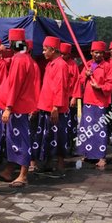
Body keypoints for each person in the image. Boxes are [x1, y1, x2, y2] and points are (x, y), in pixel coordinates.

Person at [0, 28, 40, 187]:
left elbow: (15, 85)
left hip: (17, 107)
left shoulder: (19, 60)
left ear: (14, 43)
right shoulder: (25, 58)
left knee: (21, 140)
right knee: (14, 139)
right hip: (18, 106)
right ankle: (9, 171)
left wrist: (9, 107)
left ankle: (23, 175)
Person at [75, 40, 112, 170]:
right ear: (91, 52)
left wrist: (100, 87)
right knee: (87, 129)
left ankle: (101, 157)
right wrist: (86, 76)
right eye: (95, 52)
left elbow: (111, 85)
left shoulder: (107, 67)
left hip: (100, 103)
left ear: (103, 54)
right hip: (87, 101)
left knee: (100, 130)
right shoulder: (87, 65)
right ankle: (89, 154)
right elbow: (80, 81)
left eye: (100, 53)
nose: (97, 55)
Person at [34, 36, 70, 177]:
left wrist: (56, 106)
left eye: (45, 50)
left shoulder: (60, 65)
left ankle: (60, 165)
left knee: (58, 136)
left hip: (55, 109)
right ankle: (48, 163)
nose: (43, 52)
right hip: (46, 106)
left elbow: (60, 87)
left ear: (53, 50)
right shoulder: (50, 64)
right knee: (47, 136)